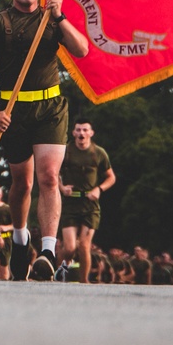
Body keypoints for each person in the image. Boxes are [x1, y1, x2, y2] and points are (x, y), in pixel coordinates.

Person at [0, 0, 88, 281]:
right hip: (12, 112)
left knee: (49, 177)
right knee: (21, 184)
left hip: (50, 109)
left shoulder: (52, 19)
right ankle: (21, 239)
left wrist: (60, 15)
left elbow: (81, 50)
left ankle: (48, 251)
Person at [58, 120, 116, 283]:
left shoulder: (98, 153)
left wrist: (99, 189)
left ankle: (84, 282)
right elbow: (52, 172)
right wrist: (61, 187)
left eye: (85, 130)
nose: (82, 133)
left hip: (90, 205)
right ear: (73, 133)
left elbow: (111, 177)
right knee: (69, 248)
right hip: (71, 203)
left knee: (84, 245)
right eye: (78, 130)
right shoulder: (66, 151)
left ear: (91, 133)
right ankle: (61, 269)